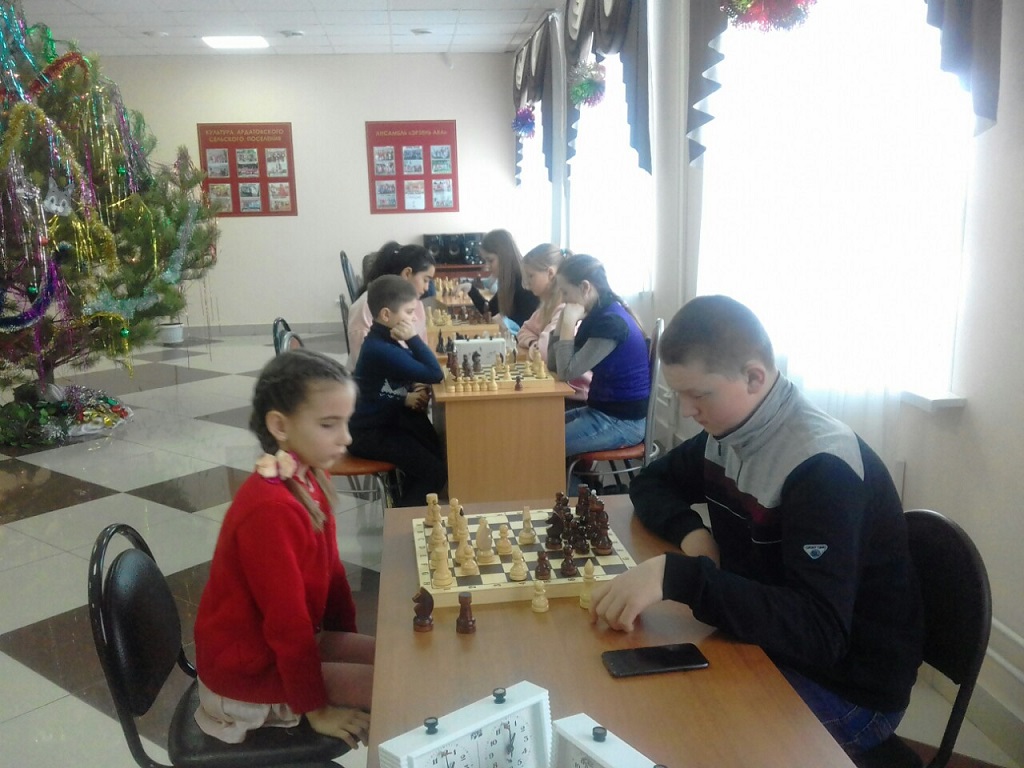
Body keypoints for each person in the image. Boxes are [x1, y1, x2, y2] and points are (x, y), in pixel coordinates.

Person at [588, 295, 924, 758]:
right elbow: (651, 481)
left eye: (698, 395)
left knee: (679, 736)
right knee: (638, 702)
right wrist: (693, 533)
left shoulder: (823, 471)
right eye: (680, 395)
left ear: (753, 377)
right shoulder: (730, 432)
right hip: (769, 641)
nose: (686, 411)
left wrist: (678, 576)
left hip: (849, 686)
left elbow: (819, 633)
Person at [193, 349, 374, 748]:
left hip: (284, 649)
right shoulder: (270, 509)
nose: (346, 438)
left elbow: (332, 573)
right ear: (280, 425)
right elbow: (286, 622)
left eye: (346, 422)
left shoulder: (311, 477)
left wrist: (343, 641)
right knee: (398, 690)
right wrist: (317, 708)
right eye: (329, 424)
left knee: (395, 662)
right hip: (246, 677)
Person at [349, 274, 446, 506]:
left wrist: (413, 386)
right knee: (434, 471)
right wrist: (413, 338)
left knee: (433, 445)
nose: (414, 318)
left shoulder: (383, 340)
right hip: (369, 434)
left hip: (385, 420)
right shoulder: (380, 349)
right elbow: (435, 373)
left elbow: (413, 367)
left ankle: (407, 504)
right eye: (409, 312)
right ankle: (402, 519)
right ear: (386, 315)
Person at [547, 253, 649, 459]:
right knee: (537, 430)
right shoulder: (597, 315)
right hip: (601, 411)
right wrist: (561, 323)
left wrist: (568, 324)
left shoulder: (611, 323)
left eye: (565, 292)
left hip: (622, 422)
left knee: (544, 445)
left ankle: (571, 482)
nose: (563, 300)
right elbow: (554, 364)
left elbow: (566, 372)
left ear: (585, 287)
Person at [516, 243, 589, 407]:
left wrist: (536, 346)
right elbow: (523, 331)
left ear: (550, 273)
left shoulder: (565, 308)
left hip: (574, 394)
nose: (527, 283)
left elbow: (544, 354)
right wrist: (534, 343)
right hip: (558, 385)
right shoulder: (545, 307)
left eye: (531, 276)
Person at [348, 242, 435, 369]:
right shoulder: (364, 307)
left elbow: (422, 352)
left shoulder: (417, 305)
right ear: (407, 273)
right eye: (425, 280)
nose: (427, 288)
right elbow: (364, 366)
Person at [458, 229, 538, 331]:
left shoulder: (524, 284)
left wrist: (507, 326)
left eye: (490, 260)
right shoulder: (508, 282)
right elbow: (490, 311)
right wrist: (471, 289)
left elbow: (529, 328)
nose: (487, 267)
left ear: (504, 256)